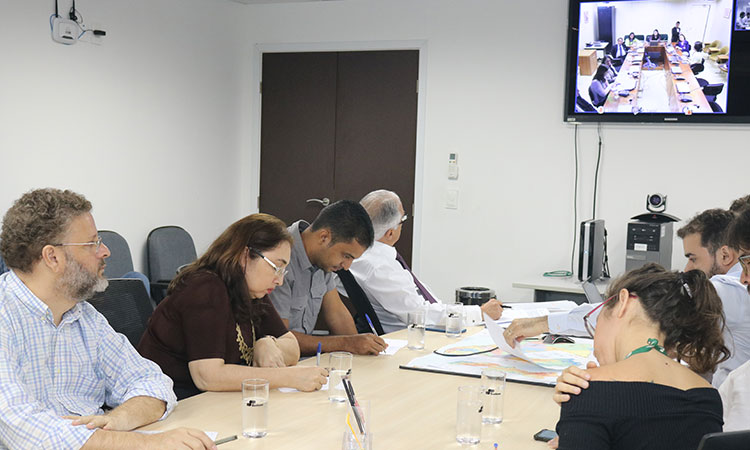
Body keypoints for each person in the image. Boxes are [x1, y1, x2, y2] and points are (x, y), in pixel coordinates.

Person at [0, 188, 214, 449]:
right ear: (52, 257)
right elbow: (22, 429)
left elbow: (152, 382)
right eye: (92, 243)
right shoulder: (5, 316)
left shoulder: (85, 316)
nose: (105, 251)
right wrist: (147, 445)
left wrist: (117, 421)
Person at [505, 206, 750, 387]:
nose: (687, 269)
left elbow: (637, 308)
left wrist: (542, 323)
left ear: (726, 256)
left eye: (692, 258)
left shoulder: (728, 290)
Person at [138, 213, 328, 400]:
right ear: (244, 256)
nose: (279, 280)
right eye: (276, 267)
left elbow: (292, 349)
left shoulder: (253, 290)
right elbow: (207, 376)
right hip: (169, 404)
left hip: (214, 401)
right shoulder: (205, 287)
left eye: (283, 271)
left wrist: (267, 342)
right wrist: (290, 378)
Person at [554, 264, 728, 450]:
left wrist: (579, 418)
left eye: (596, 321)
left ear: (624, 302)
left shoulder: (588, 390)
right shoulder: (707, 396)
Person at [340, 190, 503, 334]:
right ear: (390, 233)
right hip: (417, 335)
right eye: (402, 220)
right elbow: (419, 314)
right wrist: (479, 313)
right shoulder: (378, 267)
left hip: (426, 324)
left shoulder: (364, 257)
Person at [269, 200, 388, 356]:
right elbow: (281, 338)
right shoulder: (280, 258)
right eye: (346, 256)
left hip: (307, 361)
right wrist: (346, 344)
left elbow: (337, 314)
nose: (347, 266)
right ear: (324, 237)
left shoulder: (322, 260)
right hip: (279, 362)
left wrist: (363, 345)